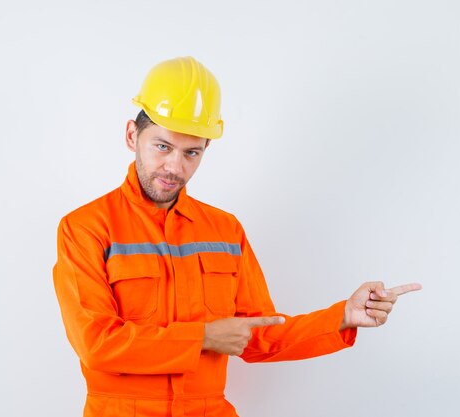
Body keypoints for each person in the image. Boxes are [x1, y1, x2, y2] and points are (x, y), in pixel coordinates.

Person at [53, 56, 421, 417]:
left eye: (191, 153)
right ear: (132, 135)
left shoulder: (224, 230)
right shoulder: (85, 228)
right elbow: (97, 345)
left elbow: (258, 334)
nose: (175, 168)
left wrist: (342, 316)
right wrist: (204, 338)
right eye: (162, 147)